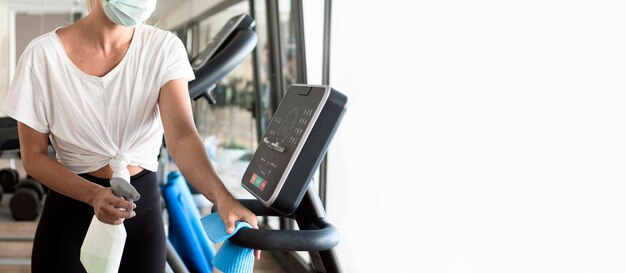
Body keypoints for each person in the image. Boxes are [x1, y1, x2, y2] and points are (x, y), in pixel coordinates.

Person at [2, 0, 259, 272]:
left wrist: (222, 197)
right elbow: (33, 156)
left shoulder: (164, 48)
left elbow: (182, 135)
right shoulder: (42, 55)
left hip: (141, 210)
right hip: (71, 208)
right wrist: (93, 195)